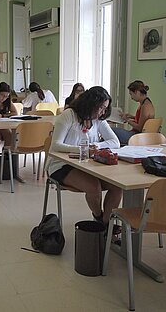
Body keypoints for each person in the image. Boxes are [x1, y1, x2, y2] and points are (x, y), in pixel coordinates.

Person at [47, 86, 122, 225]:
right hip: (61, 165)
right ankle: (100, 219)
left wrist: (97, 146)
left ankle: (106, 226)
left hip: (88, 165)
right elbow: (55, 145)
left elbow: (115, 142)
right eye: (101, 108)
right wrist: (84, 150)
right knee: (93, 187)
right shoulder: (69, 115)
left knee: (117, 187)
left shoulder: (99, 119)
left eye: (105, 109)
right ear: (91, 104)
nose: (102, 112)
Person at [113, 80, 155, 145]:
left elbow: (140, 128)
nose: (131, 97)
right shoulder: (146, 103)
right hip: (139, 135)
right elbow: (143, 120)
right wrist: (131, 116)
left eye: (131, 94)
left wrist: (127, 120)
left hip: (138, 137)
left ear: (136, 92)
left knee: (110, 130)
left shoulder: (145, 106)